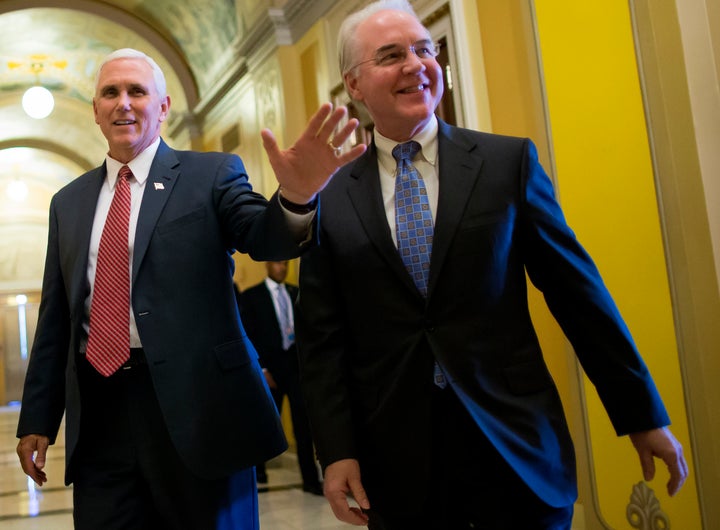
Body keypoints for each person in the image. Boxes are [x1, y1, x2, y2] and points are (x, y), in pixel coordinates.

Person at [294, 1, 689, 528]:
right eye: (391, 55)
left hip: (517, 445)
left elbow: (579, 296)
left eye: (423, 48)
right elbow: (323, 340)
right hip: (398, 463)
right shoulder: (330, 197)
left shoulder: (507, 164)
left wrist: (641, 414)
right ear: (355, 86)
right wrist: (336, 450)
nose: (415, 64)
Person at [15, 47, 364, 530]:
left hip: (202, 414)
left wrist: (296, 197)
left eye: (137, 91)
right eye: (110, 93)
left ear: (163, 107)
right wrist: (37, 418)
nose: (123, 103)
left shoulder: (211, 174)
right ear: (95, 110)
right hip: (101, 421)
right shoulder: (68, 203)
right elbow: (58, 317)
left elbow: (262, 236)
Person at [238, 260, 323, 495]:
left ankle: (310, 479)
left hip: (296, 370)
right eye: (277, 263)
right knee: (265, 423)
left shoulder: (296, 293)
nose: (282, 268)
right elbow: (248, 334)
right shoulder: (252, 296)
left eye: (284, 264)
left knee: (303, 427)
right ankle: (260, 474)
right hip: (270, 370)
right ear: (267, 265)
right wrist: (262, 369)